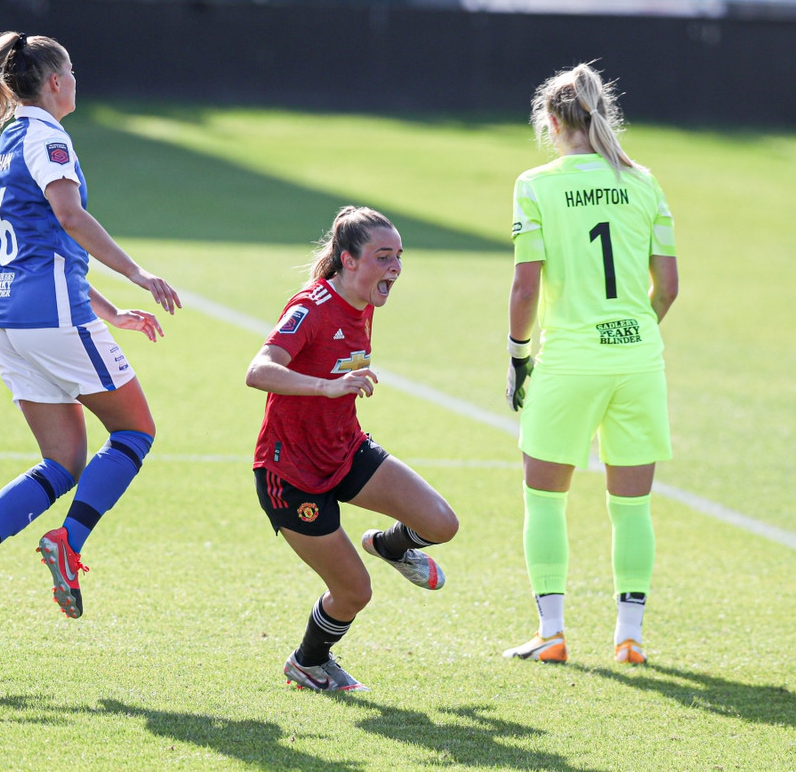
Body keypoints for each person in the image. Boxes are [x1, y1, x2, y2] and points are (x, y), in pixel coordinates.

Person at [0, 31, 180, 632]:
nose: (75, 82)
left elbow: (47, 243)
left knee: (62, 461)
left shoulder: (12, 138)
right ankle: (68, 543)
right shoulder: (47, 134)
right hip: (49, 316)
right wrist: (137, 273)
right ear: (53, 82)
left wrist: (107, 310)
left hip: (8, 318)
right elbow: (69, 217)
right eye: (70, 73)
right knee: (134, 431)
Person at [502, 63, 679, 665]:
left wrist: (518, 356)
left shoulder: (537, 184)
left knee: (546, 498)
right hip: (638, 362)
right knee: (631, 505)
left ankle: (552, 633)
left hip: (570, 360)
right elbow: (669, 288)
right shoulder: (645, 183)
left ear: (551, 123)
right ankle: (628, 636)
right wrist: (629, 336)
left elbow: (525, 290)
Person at [246, 206, 459, 692]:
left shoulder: (363, 300)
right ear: (348, 260)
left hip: (344, 449)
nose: (395, 268)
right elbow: (258, 370)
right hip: (291, 473)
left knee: (441, 523)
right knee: (353, 592)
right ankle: (308, 663)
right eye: (383, 257)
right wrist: (326, 387)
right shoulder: (310, 307)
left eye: (399, 257)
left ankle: (390, 545)